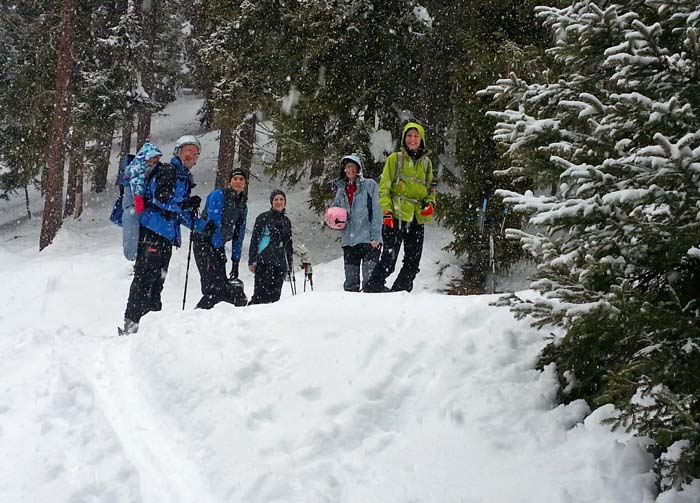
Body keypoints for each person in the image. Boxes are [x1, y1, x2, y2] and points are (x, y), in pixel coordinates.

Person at [119, 135, 203, 335]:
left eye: (195, 152)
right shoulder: (168, 170)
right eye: (187, 150)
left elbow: (178, 212)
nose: (191, 155)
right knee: (145, 278)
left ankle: (149, 327)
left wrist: (201, 227)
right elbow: (160, 199)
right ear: (178, 151)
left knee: (157, 281)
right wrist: (184, 205)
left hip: (166, 235)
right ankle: (132, 325)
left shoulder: (184, 177)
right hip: (152, 231)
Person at [363, 121, 436, 293]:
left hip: (416, 218)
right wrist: (386, 211)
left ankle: (399, 293)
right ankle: (371, 290)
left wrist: (430, 203)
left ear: (421, 139)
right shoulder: (395, 159)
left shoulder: (427, 164)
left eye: (416, 136)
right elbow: (384, 188)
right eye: (409, 136)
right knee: (389, 260)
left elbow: (430, 189)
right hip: (395, 216)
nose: (412, 139)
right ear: (404, 139)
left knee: (413, 262)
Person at [192, 167, 249, 309]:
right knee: (213, 288)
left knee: (222, 288)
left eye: (241, 179)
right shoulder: (219, 195)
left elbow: (239, 234)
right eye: (235, 179)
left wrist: (235, 260)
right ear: (230, 181)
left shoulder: (242, 205)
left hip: (218, 245)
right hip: (204, 242)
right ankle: (195, 318)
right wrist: (218, 249)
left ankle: (213, 319)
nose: (238, 182)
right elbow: (214, 222)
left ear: (245, 183)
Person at [330, 154, 382, 291]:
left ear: (359, 169)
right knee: (350, 284)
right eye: (347, 167)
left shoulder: (370, 185)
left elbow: (377, 211)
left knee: (370, 283)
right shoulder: (341, 190)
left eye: (353, 166)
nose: (350, 170)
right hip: (349, 241)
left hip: (368, 241)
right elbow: (335, 212)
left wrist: (376, 236)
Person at [247, 189, 293, 305]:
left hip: (280, 263)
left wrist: (290, 264)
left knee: (275, 298)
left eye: (281, 199)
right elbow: (255, 240)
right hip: (264, 261)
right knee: (260, 296)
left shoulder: (286, 221)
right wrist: (252, 260)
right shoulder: (263, 218)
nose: (279, 202)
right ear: (271, 202)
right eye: (276, 199)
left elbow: (288, 244)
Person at [121, 142, 163, 261]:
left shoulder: (147, 169)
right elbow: (136, 183)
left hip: (138, 206)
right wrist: (138, 198)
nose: (152, 164)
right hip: (132, 205)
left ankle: (136, 254)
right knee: (131, 229)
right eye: (151, 161)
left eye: (155, 161)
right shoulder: (137, 167)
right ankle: (131, 254)